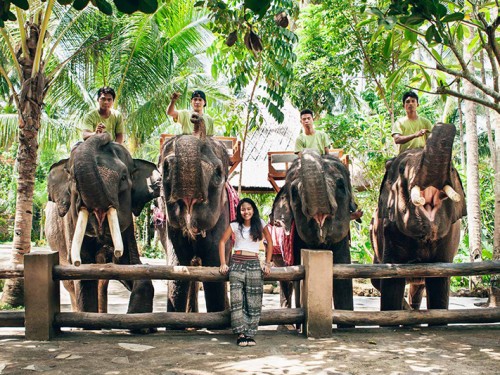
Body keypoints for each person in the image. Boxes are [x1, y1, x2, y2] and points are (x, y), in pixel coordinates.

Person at [218, 198, 273, 347]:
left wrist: (267, 263)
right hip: (236, 264)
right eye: (243, 209)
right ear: (239, 211)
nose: (246, 212)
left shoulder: (260, 224)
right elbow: (222, 241)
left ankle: (250, 333)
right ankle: (240, 334)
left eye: (248, 209)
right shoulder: (234, 225)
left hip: (254, 264)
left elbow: (270, 242)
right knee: (236, 300)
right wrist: (223, 263)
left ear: (253, 210)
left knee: (253, 301)